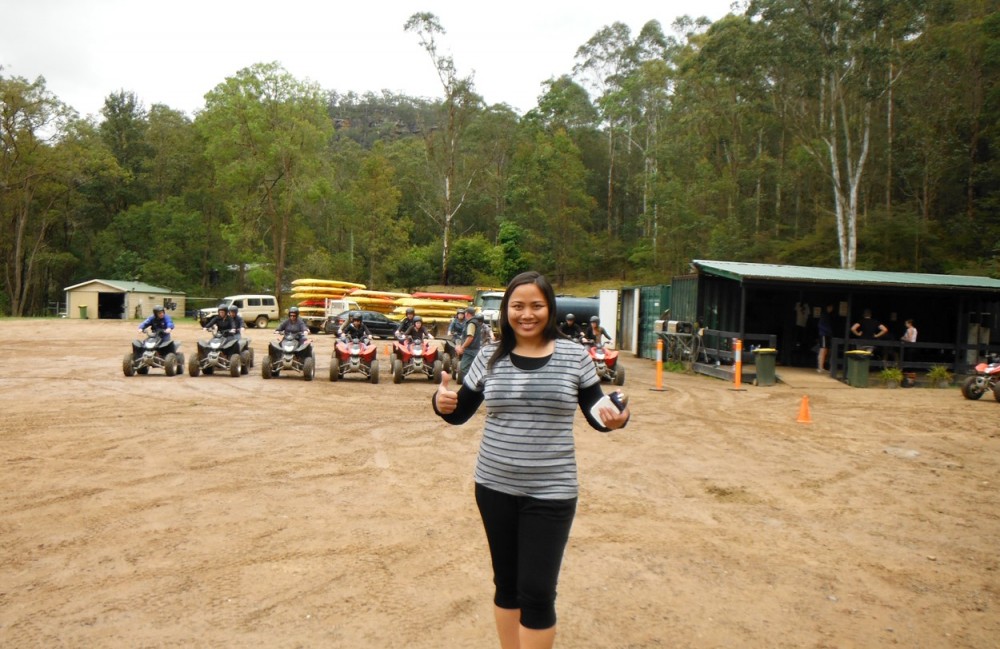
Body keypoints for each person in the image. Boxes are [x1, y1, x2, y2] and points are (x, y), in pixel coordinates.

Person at [432, 271, 630, 649]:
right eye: (517, 306)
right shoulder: (489, 356)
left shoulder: (574, 356)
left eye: (536, 306)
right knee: (506, 584)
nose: (527, 314)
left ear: (550, 309)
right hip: (493, 487)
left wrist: (616, 419)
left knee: (537, 592)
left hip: (552, 491)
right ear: (506, 311)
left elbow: (596, 411)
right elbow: (459, 413)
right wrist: (440, 403)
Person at [456, 306, 484, 377]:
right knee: (472, 368)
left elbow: (470, 337)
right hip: (475, 349)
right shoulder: (476, 322)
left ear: (467, 314)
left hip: (470, 350)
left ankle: (468, 385)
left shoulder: (471, 323)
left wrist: (462, 347)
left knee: (464, 368)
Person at [816, 304, 834, 372]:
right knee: (822, 350)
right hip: (823, 334)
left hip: (827, 335)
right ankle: (820, 367)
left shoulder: (829, 315)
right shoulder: (824, 315)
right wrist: (828, 331)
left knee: (825, 351)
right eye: (831, 307)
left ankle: (822, 367)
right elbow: (820, 325)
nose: (831, 309)